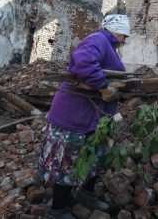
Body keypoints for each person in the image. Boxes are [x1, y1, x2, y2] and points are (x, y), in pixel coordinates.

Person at [38, 14, 130, 219]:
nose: (125, 40)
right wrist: (105, 89)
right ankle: (59, 209)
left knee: (94, 156)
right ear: (119, 31)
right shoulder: (98, 39)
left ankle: (85, 194)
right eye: (125, 36)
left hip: (91, 117)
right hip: (73, 117)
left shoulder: (107, 45)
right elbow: (84, 62)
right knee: (66, 161)